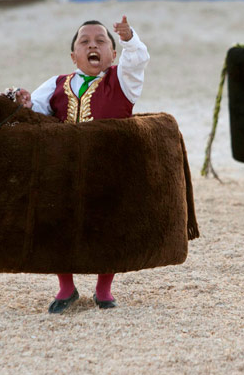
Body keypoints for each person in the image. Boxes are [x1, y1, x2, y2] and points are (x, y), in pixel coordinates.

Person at [14, 15, 149, 312]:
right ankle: (66, 287)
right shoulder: (56, 84)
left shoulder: (123, 81)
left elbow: (137, 59)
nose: (93, 45)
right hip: (64, 171)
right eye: (84, 41)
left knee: (107, 227)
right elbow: (34, 110)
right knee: (57, 223)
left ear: (113, 55)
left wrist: (128, 38)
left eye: (101, 41)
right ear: (73, 55)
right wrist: (23, 105)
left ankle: (104, 289)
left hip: (108, 170)